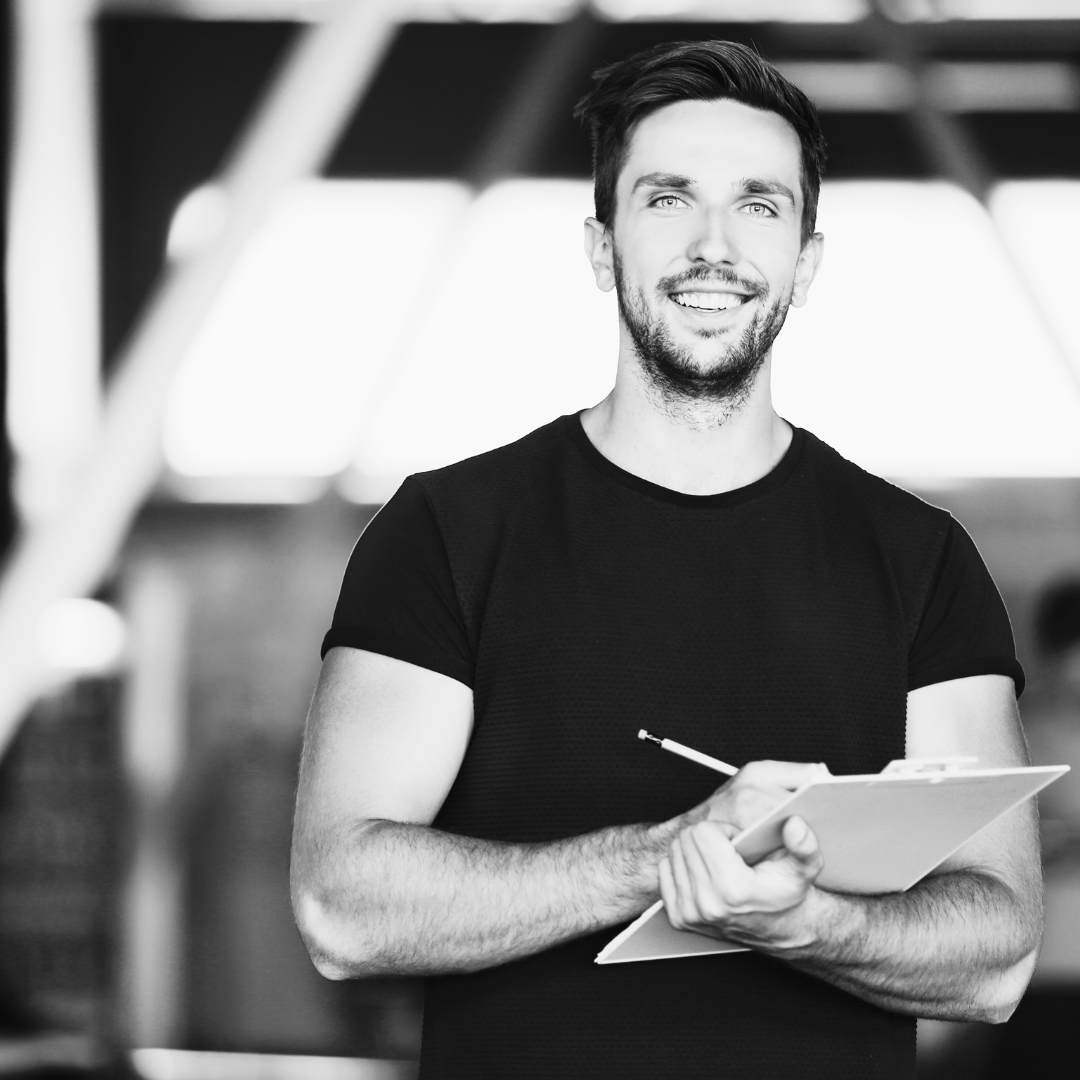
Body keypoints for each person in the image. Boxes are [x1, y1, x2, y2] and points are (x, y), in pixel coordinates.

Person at [290, 40, 1041, 1080]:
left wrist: (802, 923)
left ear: (806, 262)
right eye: (669, 199)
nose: (713, 246)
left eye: (760, 206)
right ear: (602, 249)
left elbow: (998, 957)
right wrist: (664, 857)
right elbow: (339, 907)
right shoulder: (445, 532)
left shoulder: (922, 561)